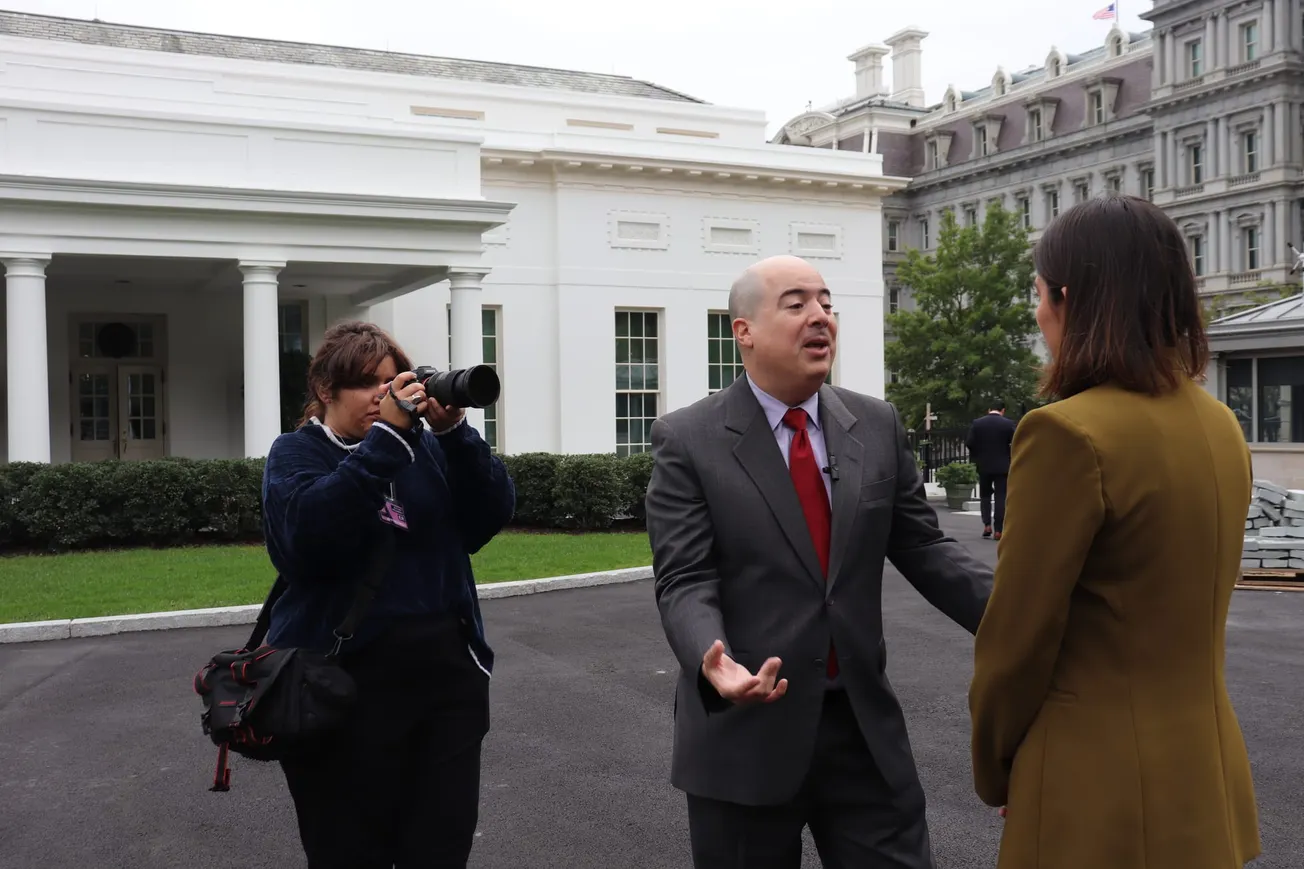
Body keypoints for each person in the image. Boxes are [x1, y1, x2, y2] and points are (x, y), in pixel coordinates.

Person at [644, 254, 992, 869]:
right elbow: (685, 578)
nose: (821, 316)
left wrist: (1026, 615)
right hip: (745, 734)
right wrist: (711, 659)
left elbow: (925, 547)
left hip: (862, 732)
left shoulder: (875, 423)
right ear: (744, 331)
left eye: (827, 304)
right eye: (797, 303)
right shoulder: (689, 439)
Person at [968, 194, 1261, 868]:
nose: (1038, 312)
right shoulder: (1220, 424)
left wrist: (999, 763)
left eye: (1039, 293)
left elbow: (1015, 644)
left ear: (1067, 299)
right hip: (1204, 774)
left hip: (1096, 785)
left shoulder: (1066, 433)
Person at [260, 320, 515, 868]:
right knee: (348, 853)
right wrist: (385, 444)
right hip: (337, 689)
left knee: (440, 851)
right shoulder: (296, 453)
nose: (383, 394)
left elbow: (487, 517)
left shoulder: (424, 449)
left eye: (391, 380)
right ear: (325, 390)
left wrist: (455, 435)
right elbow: (306, 542)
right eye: (365, 383)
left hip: (445, 687)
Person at [964, 401, 1016, 540]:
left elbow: (969, 443)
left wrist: (978, 455)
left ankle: (987, 524)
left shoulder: (977, 423)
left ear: (989, 409)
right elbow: (1016, 442)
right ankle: (998, 529)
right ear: (1003, 410)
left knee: (985, 495)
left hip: (984, 465)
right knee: (1001, 496)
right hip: (1002, 466)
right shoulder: (1008, 424)